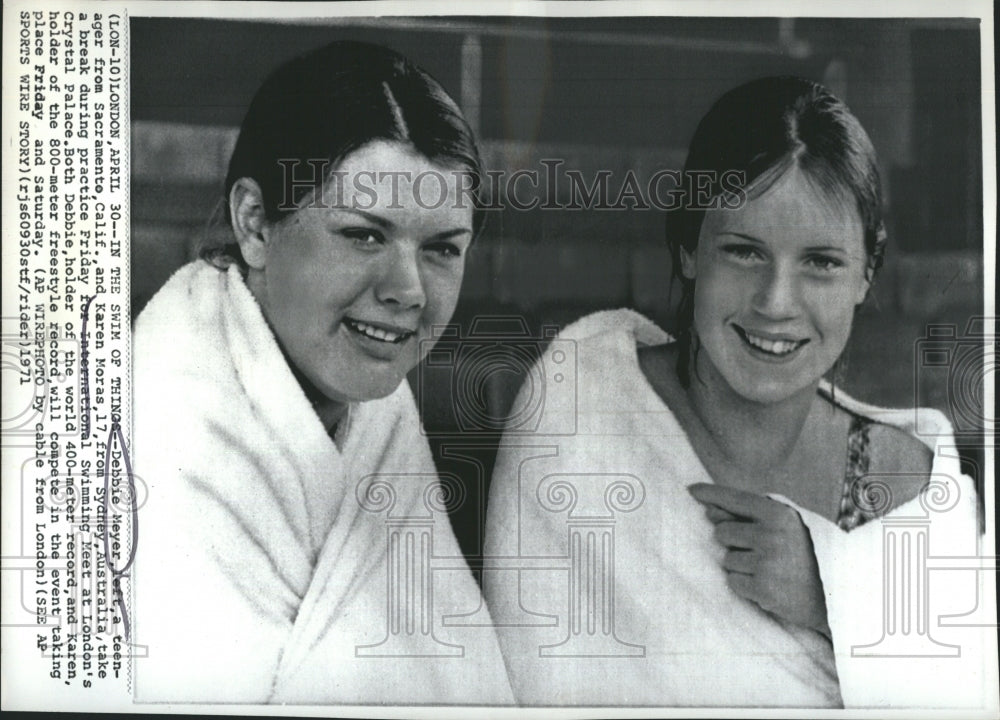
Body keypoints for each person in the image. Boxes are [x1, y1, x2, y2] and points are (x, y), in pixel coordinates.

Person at [483, 77, 988, 707]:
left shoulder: (918, 490)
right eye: (744, 251)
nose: (777, 303)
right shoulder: (582, 409)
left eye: (822, 262)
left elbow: (971, 700)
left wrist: (835, 596)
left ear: (867, 272)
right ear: (690, 247)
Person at [133, 41, 513, 704]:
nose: (409, 291)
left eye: (442, 249)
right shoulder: (159, 418)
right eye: (365, 235)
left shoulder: (376, 405)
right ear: (255, 224)